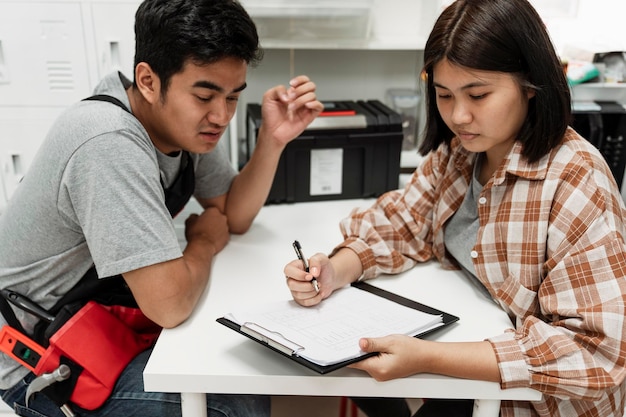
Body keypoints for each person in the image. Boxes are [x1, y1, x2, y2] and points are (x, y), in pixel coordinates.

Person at [284, 0, 626, 416]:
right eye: (444, 95)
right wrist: (335, 269)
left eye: (478, 94)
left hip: (537, 403)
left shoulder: (576, 180)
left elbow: (594, 352)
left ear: (531, 84)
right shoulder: (459, 153)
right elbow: (403, 223)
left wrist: (428, 358)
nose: (458, 115)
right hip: (471, 377)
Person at [0, 0, 323, 416]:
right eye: (205, 95)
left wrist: (273, 139)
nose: (221, 116)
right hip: (39, 361)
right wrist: (203, 241)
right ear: (149, 81)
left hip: (104, 318)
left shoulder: (177, 125)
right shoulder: (108, 142)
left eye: (233, 97)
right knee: (229, 403)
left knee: (247, 363)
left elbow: (233, 213)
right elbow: (169, 304)